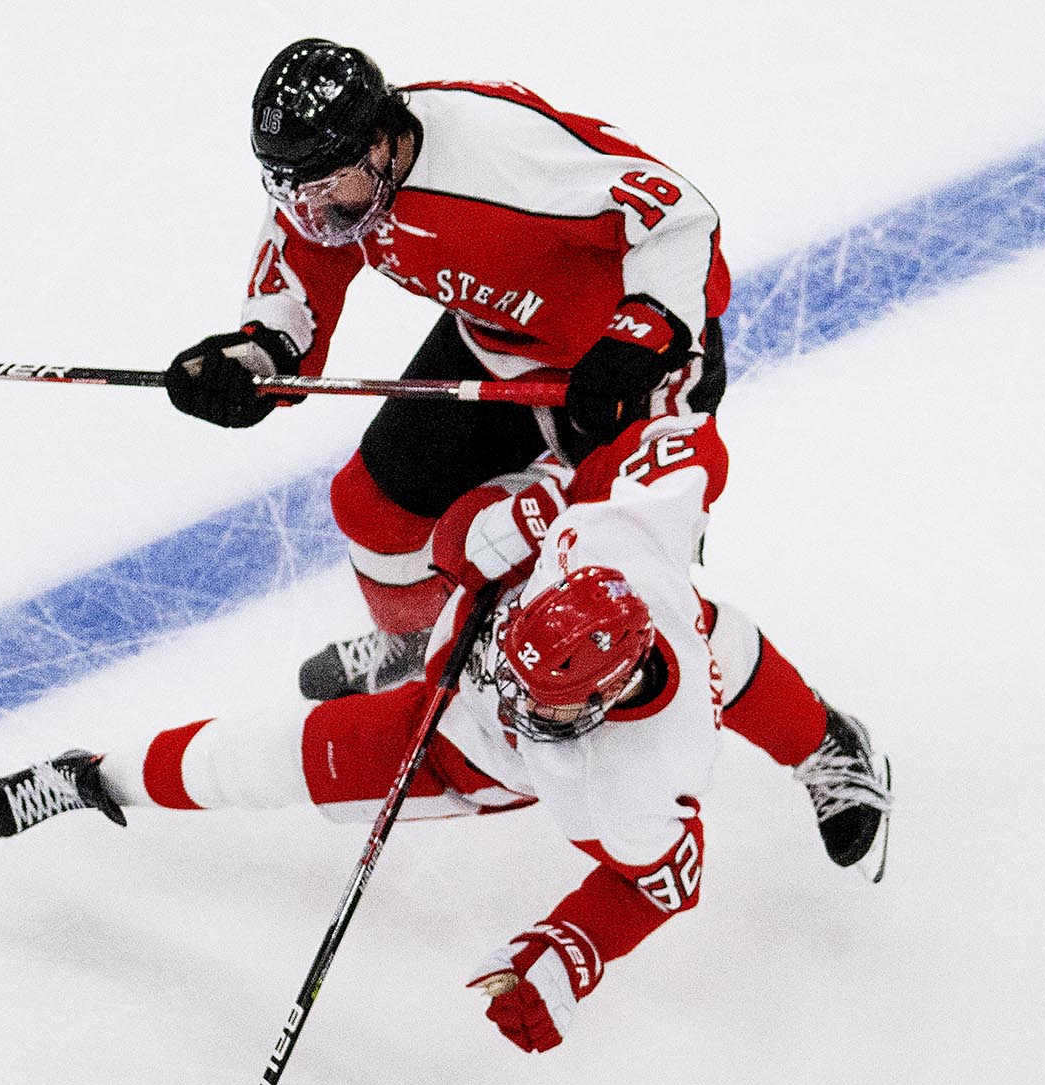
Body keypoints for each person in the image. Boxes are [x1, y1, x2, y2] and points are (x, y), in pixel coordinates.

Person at [0, 410, 891, 1053]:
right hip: (515, 626)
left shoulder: (629, 776)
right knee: (691, 617)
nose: (526, 705)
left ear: (604, 707)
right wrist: (507, 518)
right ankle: (110, 768)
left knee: (274, 760)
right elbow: (685, 442)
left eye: (553, 710)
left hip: (454, 748)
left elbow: (665, 880)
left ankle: (830, 746)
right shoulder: (611, 543)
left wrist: (566, 954)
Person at [164, 38, 731, 702]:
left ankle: (815, 741)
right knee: (372, 508)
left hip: (628, 371)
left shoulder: (497, 154)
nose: (311, 209)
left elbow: (677, 214)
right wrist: (260, 355)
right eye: (296, 190)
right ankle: (421, 646)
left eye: (323, 188)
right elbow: (304, 255)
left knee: (632, 584)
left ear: (381, 142)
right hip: (499, 347)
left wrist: (641, 334)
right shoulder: (334, 182)